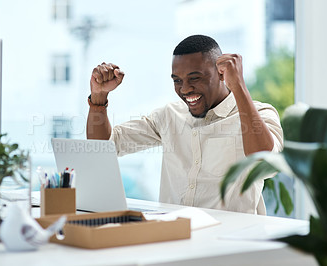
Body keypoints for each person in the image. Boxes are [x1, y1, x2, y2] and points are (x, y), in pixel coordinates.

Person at [86, 35, 283, 214]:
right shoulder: (169, 116)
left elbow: (266, 163)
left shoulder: (259, 114)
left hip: (229, 244)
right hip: (175, 238)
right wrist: (99, 96)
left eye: (195, 78)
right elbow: (104, 146)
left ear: (222, 74)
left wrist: (238, 85)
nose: (185, 89)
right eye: (177, 80)